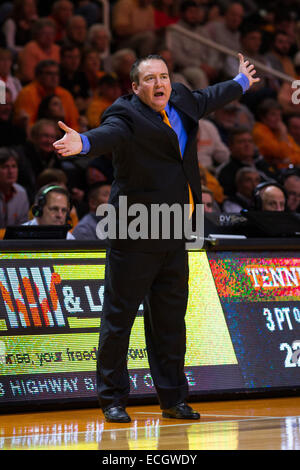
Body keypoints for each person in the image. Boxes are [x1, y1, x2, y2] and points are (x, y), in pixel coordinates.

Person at [53, 53, 259, 423]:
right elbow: (108, 135)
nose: (159, 83)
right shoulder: (125, 114)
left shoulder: (180, 98)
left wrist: (241, 81)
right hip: (135, 230)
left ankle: (173, 399)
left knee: (170, 319)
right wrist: (83, 143)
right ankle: (113, 399)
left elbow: (210, 96)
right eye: (149, 79)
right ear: (135, 87)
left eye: (163, 76)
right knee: (120, 318)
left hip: (177, 228)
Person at [13, 59, 79, 130]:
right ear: (38, 76)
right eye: (49, 73)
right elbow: (27, 124)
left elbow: (74, 124)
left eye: (57, 74)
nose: (54, 77)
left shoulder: (65, 94)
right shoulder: (27, 93)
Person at [0, 147, 29, 229]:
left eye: (14, 166)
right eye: (5, 167)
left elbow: (23, 226)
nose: (11, 171)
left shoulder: (21, 193)